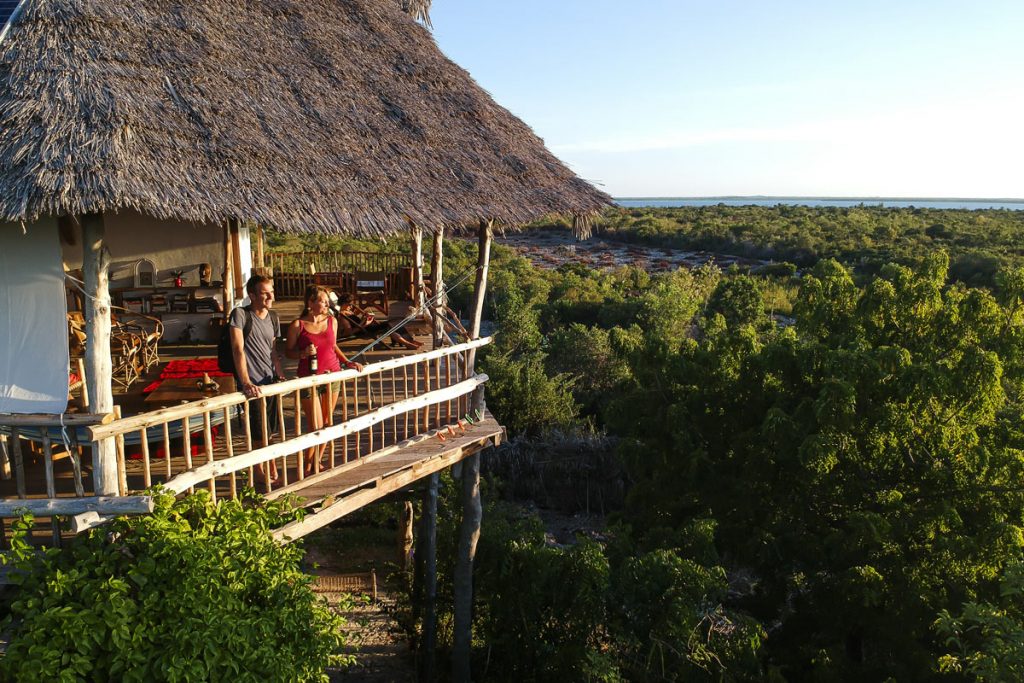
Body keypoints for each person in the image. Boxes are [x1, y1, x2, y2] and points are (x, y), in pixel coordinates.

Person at [286, 285, 364, 475]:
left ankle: (316, 461)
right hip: (309, 378)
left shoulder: (332, 321)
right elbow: (288, 352)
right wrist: (303, 353)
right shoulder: (298, 325)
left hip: (333, 374)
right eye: (323, 300)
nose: (327, 303)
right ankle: (307, 463)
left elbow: (333, 345)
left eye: (327, 300)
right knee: (315, 425)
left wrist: (347, 362)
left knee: (327, 423)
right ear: (310, 302)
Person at [230, 274, 286, 486]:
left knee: (270, 429)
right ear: (252, 295)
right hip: (252, 381)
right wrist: (245, 382)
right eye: (265, 293)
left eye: (271, 291)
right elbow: (238, 349)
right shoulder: (240, 315)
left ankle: (271, 468)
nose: (270, 296)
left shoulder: (273, 317)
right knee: (257, 430)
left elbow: (273, 350)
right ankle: (259, 471)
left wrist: (280, 375)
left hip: (269, 379)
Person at [336, 293, 423, 350]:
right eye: (350, 304)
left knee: (392, 323)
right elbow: (349, 332)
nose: (351, 306)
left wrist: (364, 318)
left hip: (366, 327)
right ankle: (407, 343)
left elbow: (356, 322)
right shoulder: (343, 316)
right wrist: (365, 324)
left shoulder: (349, 312)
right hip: (364, 330)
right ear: (344, 303)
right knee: (387, 326)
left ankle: (410, 341)